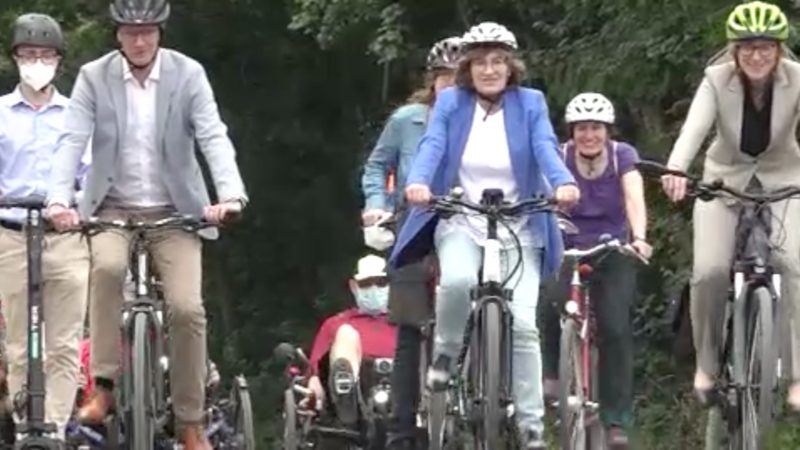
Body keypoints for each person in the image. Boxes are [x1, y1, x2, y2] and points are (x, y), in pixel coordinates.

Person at [46, 0, 248, 447]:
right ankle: (103, 385)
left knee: (186, 307)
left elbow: (213, 134)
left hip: (175, 213)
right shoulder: (93, 77)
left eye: (148, 32)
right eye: (130, 32)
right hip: (111, 210)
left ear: (160, 32)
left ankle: (190, 420)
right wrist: (60, 199)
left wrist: (228, 196)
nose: (140, 41)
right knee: (107, 270)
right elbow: (71, 139)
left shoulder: (187, 74)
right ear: (117, 35)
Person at [391, 21, 580, 449]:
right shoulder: (451, 104)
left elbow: (545, 147)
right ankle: (446, 354)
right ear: (468, 68)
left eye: (498, 62)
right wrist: (419, 183)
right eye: (480, 63)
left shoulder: (530, 103)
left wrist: (563, 182)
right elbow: (433, 146)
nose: (490, 70)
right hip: (463, 218)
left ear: (511, 67)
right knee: (457, 282)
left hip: (519, 224)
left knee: (526, 326)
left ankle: (532, 429)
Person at [660, 0, 800, 411]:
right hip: (723, 182)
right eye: (747, 47)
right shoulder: (716, 80)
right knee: (709, 271)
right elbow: (694, 129)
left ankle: (795, 376)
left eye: (766, 47)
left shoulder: (798, 79)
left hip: (785, 181)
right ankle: (706, 365)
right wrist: (676, 169)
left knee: (793, 265)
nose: (757, 55)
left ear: (779, 51)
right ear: (734, 51)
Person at [361, 36, 461, 449]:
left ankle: (485, 401)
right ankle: (402, 431)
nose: (451, 87)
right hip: (413, 224)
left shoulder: (483, 123)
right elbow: (377, 165)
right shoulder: (408, 120)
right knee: (408, 327)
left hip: (467, 226)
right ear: (432, 82)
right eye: (444, 79)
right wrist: (375, 205)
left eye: (460, 79)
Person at [538, 93, 650, 448]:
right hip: (566, 244)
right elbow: (542, 198)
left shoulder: (622, 156)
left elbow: (634, 196)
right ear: (572, 132)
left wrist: (640, 238)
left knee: (615, 327)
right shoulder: (558, 156)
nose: (589, 135)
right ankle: (553, 374)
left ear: (607, 130)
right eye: (582, 128)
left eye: (596, 128)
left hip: (610, 247)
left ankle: (616, 419)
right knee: (550, 300)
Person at [0, 13, 91, 441]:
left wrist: (79, 205)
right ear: (16, 58)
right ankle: (23, 428)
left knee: (64, 342)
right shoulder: (0, 113)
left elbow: (91, 174)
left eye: (46, 55)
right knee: (20, 342)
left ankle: (52, 428)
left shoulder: (77, 114)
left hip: (64, 238)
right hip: (13, 233)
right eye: (29, 54)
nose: (37, 61)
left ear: (58, 60)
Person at [305, 255, 397, 426]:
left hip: (399, 382)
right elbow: (316, 371)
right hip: (357, 380)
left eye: (380, 282)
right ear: (354, 287)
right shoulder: (335, 323)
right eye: (366, 284)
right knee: (346, 333)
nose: (374, 288)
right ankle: (346, 396)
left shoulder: (403, 324)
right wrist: (314, 388)